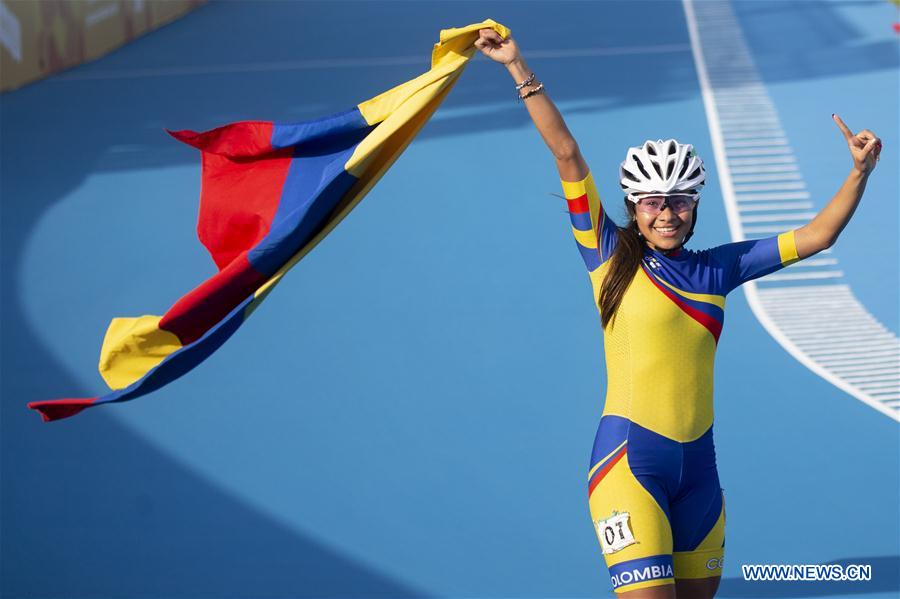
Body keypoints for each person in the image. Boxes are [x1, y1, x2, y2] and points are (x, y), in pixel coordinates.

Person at [475, 28, 882, 599]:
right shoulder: (606, 253)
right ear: (632, 207)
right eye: (652, 202)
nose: (665, 213)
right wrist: (518, 68)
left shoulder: (720, 268)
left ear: (694, 206)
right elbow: (566, 152)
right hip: (627, 467)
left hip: (700, 475)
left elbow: (817, 236)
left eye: (679, 201)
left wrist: (859, 172)